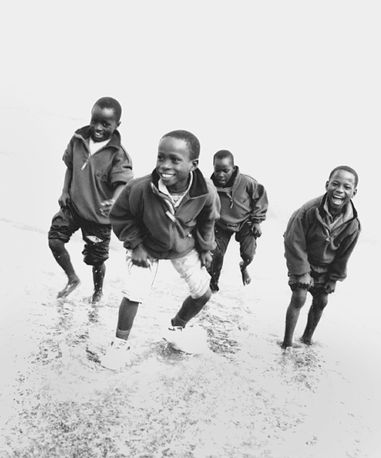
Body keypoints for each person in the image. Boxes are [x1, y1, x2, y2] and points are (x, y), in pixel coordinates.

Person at [102, 130, 220, 369]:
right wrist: (136, 245)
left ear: (193, 164)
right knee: (134, 292)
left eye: (175, 160)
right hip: (147, 246)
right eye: (160, 157)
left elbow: (209, 219)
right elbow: (120, 216)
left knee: (204, 293)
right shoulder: (141, 188)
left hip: (183, 246)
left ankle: (176, 327)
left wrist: (206, 248)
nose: (165, 165)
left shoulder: (206, 191)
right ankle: (119, 344)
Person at [48, 97, 133, 303]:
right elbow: (70, 166)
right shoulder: (78, 139)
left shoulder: (118, 154)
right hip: (73, 206)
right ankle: (72, 278)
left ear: (117, 125)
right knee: (55, 241)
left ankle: (97, 292)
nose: (98, 128)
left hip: (99, 217)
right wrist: (64, 191)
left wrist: (114, 201)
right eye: (95, 121)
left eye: (106, 124)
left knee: (96, 260)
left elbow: (122, 183)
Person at [281, 166, 360, 349]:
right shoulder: (308, 210)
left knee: (321, 301)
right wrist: (302, 272)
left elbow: (343, 256)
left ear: (354, 192)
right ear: (327, 185)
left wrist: (333, 279)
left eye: (347, 187)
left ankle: (307, 338)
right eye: (335, 184)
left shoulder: (353, 224)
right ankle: (287, 343)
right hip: (303, 261)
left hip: (326, 268)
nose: (340, 190)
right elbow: (293, 240)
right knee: (299, 296)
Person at [207, 150, 268, 292]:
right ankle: (213, 283)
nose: (221, 175)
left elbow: (260, 198)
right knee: (214, 254)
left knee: (248, 254)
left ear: (233, 169)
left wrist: (257, 221)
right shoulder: (209, 186)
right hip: (221, 224)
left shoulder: (247, 182)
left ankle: (244, 266)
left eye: (225, 170)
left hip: (245, 222)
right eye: (217, 170)